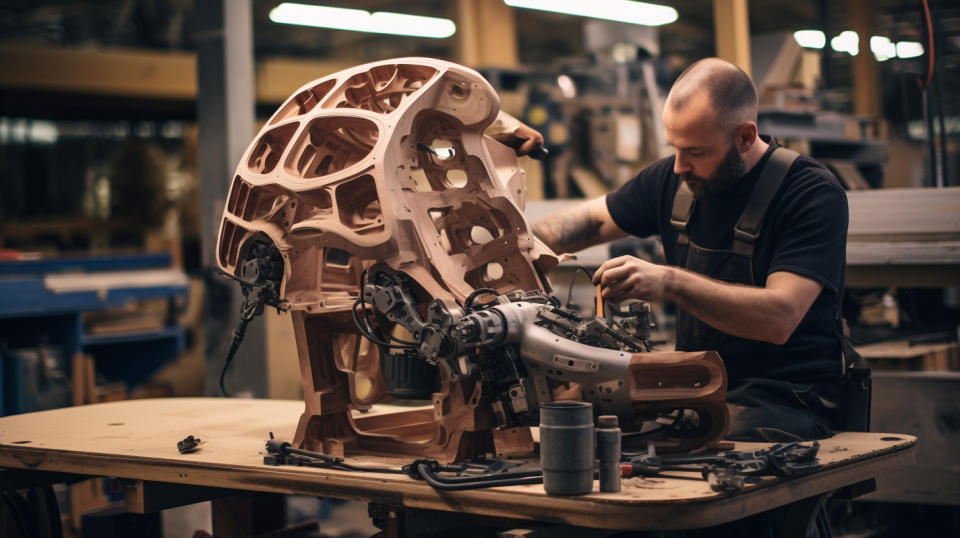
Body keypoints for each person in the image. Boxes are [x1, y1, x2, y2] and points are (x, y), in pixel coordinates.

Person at [531, 58, 849, 442]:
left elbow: (779, 318)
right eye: (674, 147)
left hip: (785, 401)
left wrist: (670, 281)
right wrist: (515, 243)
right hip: (694, 390)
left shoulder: (809, 194)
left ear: (745, 137)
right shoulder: (676, 177)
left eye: (696, 152)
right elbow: (591, 221)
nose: (679, 165)